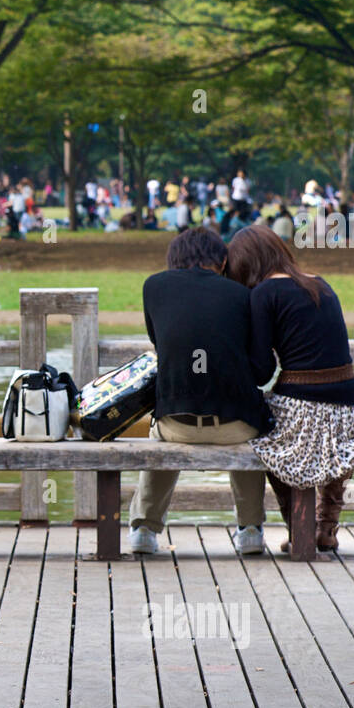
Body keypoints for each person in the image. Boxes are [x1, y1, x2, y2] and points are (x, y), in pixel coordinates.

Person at [225, 225, 354, 552]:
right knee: (329, 447)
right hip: (353, 406)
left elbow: (261, 370)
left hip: (304, 404)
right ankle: (327, 526)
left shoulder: (263, 294)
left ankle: (300, 526)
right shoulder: (319, 283)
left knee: (262, 436)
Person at [129, 227, 273, 556]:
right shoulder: (242, 295)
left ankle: (144, 528)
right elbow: (262, 373)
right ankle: (250, 528)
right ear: (223, 261)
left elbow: (160, 343)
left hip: (175, 424)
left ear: (173, 259)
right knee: (252, 423)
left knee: (159, 434)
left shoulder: (154, 287)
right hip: (235, 426)